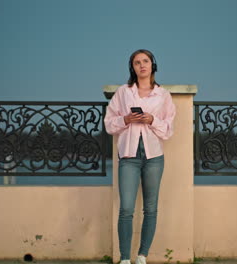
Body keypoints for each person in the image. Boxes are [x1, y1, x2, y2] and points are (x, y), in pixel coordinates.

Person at [104, 49, 176, 264]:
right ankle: (125, 258)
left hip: (154, 157)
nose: (142, 65)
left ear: (153, 65)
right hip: (129, 156)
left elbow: (169, 130)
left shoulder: (163, 95)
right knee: (126, 208)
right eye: (137, 62)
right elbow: (109, 124)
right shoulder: (123, 93)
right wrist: (126, 119)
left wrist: (152, 119)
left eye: (145, 61)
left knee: (150, 208)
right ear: (132, 67)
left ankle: (142, 256)